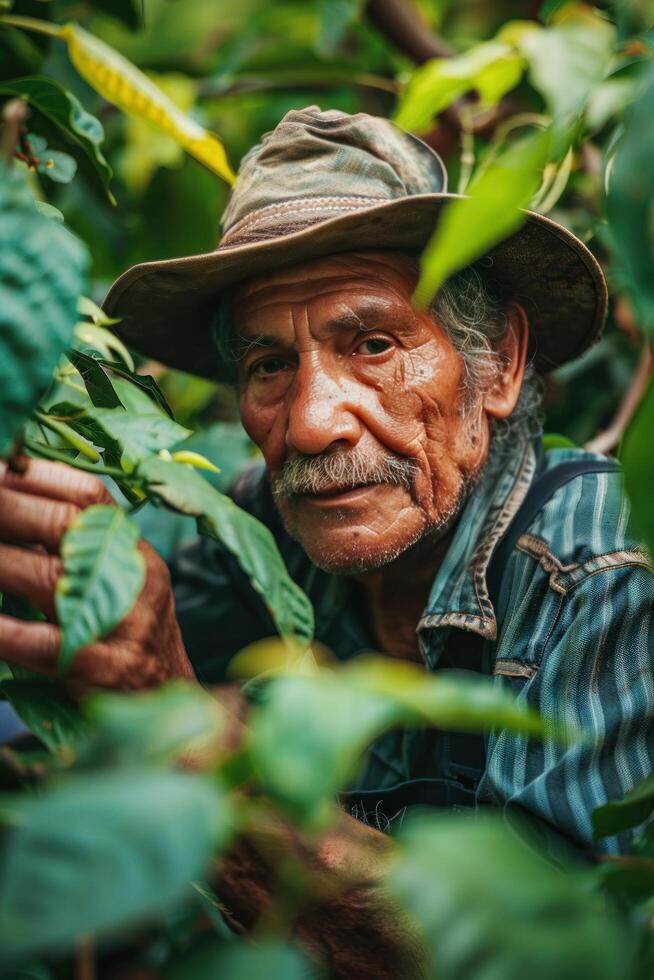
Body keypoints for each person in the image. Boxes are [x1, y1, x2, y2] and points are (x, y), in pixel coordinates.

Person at [0, 107, 652, 976]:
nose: (309, 426)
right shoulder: (256, 530)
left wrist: (185, 729)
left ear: (495, 360)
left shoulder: (601, 575)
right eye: (270, 366)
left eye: (374, 343)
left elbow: (543, 964)